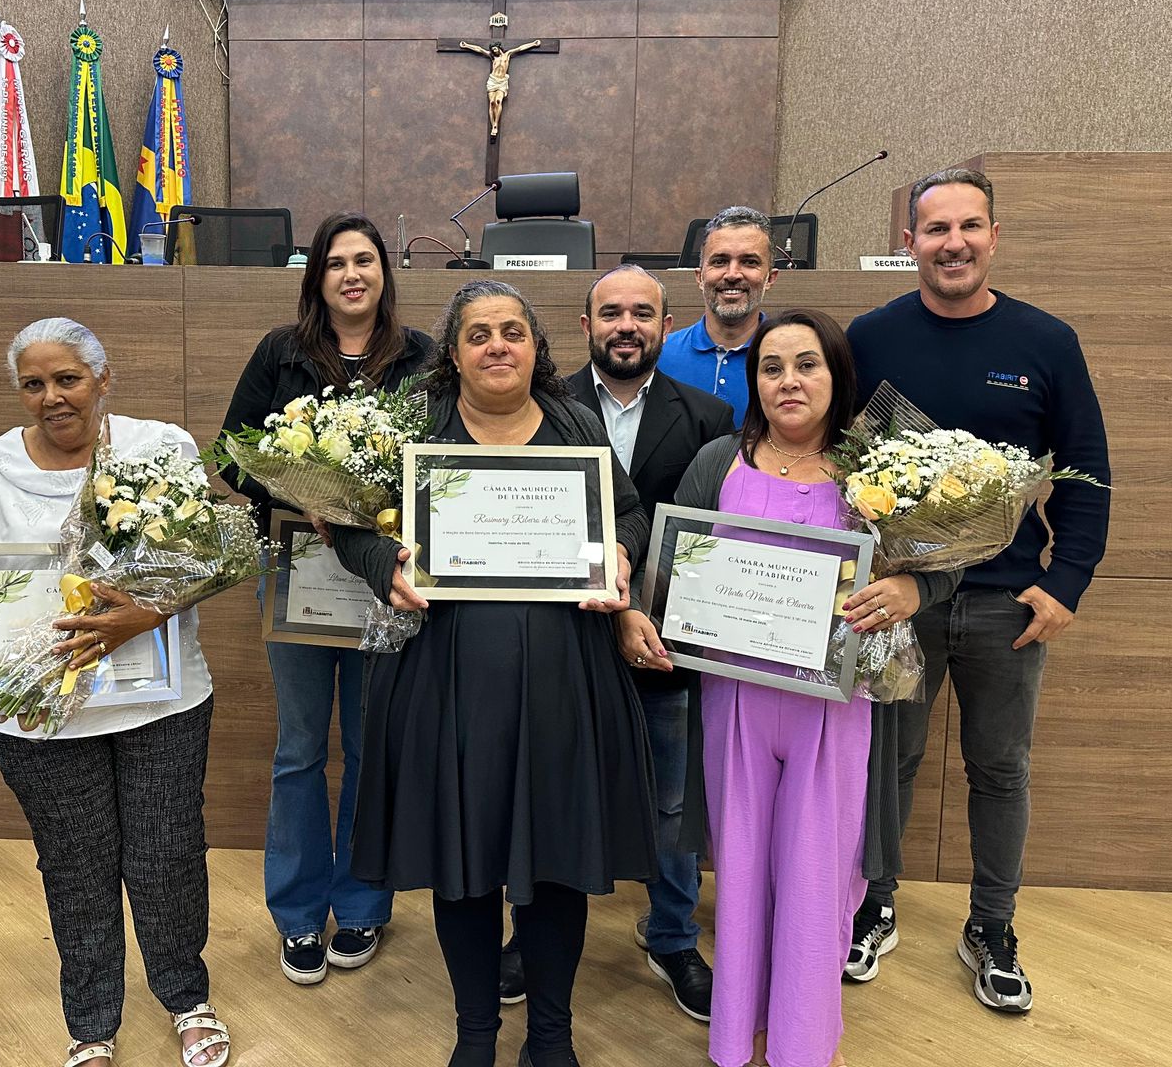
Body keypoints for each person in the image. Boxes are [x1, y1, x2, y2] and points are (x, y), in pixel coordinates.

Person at [332, 278, 658, 1067]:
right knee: (462, 863)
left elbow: (634, 511)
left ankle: (551, 1035)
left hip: (564, 679)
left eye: (513, 331)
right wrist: (384, 564)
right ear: (453, 352)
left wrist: (622, 552)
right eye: (478, 334)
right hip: (445, 675)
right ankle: (475, 1032)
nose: (497, 347)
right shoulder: (413, 424)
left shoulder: (577, 423)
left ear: (537, 347)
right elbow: (344, 521)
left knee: (556, 866)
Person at [617, 309, 956, 1067]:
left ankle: (805, 1042)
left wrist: (911, 588)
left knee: (815, 877)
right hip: (734, 705)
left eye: (807, 365)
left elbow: (948, 559)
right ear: (753, 381)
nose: (789, 381)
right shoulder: (718, 463)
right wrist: (645, 615)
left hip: (832, 710)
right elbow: (670, 575)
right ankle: (739, 1036)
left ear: (837, 378)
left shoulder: (878, 472)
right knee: (739, 875)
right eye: (772, 368)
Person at [843, 168, 1111, 1012]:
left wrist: (1064, 583)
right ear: (909, 243)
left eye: (969, 227)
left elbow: (1086, 475)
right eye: (935, 229)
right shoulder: (870, 338)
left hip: (1006, 607)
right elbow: (842, 465)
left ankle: (992, 925)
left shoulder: (1047, 340)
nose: (952, 243)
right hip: (900, 599)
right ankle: (873, 902)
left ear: (994, 237)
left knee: (1001, 770)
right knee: (893, 763)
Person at [0, 318, 228, 1067]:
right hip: (37, 715)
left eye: (68, 379)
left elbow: (205, 566)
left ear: (103, 379)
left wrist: (142, 617)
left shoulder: (160, 449)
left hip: (161, 698)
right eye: (34, 383)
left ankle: (187, 997)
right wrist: (19, 652)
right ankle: (92, 1023)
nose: (52, 397)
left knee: (167, 855)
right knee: (75, 862)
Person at [500, 264, 733, 1019]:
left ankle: (670, 937)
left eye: (643, 312)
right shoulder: (539, 405)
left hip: (664, 645)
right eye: (611, 313)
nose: (626, 325)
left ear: (667, 326)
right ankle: (525, 937)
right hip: (559, 644)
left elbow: (714, 542)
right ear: (585, 326)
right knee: (539, 789)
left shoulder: (706, 415)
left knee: (670, 802)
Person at [217, 212, 433, 984]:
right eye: (337, 262)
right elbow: (230, 450)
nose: (352, 274)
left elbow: (443, 457)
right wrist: (293, 489)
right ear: (318, 279)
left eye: (365, 261)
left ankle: (366, 904)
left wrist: (376, 504)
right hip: (299, 569)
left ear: (384, 274)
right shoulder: (282, 351)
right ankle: (301, 915)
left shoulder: (421, 358)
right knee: (301, 750)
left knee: (375, 746)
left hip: (386, 579)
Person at [657, 206, 779, 423]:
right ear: (699, 277)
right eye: (719, 261)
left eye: (749, 262)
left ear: (770, 278)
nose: (732, 274)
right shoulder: (659, 356)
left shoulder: (791, 363)